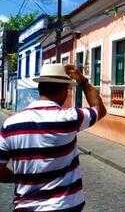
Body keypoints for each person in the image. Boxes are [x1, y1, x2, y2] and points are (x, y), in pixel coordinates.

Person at [0, 63, 106, 211]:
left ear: (39, 88)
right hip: (65, 206)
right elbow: (99, 110)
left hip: (26, 207)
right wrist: (83, 81)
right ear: (64, 91)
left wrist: (16, 178)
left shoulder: (10, 125)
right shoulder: (70, 118)